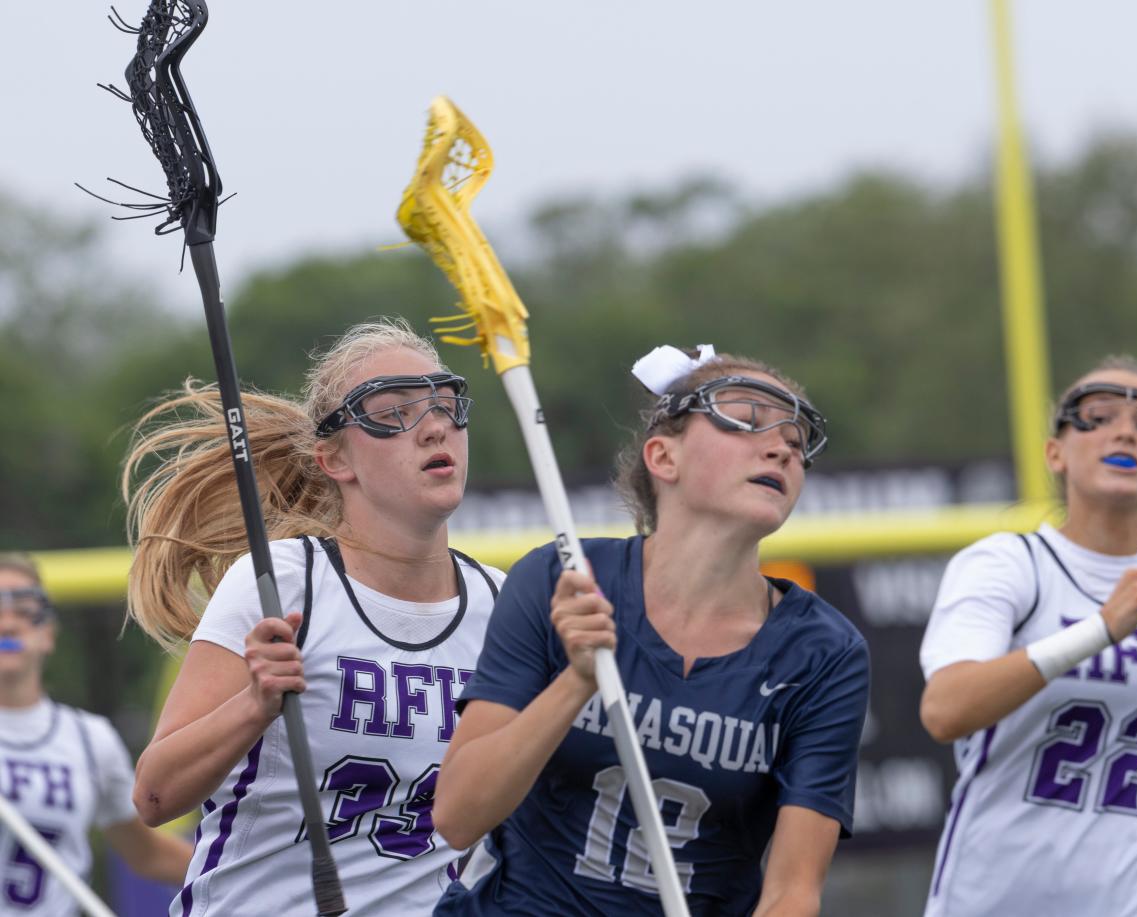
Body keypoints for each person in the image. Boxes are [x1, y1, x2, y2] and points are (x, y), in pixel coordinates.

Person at [432, 345, 870, 916]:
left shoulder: (825, 653)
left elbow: (792, 892)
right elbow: (459, 815)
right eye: (748, 420)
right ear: (664, 457)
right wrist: (577, 682)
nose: (782, 447)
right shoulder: (561, 579)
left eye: (797, 440)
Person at [122, 318, 503, 916]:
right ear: (334, 459)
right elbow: (154, 796)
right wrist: (254, 704)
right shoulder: (282, 582)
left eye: (445, 403)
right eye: (394, 411)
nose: (433, 427)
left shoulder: (501, 606)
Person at [919, 355, 1137, 917]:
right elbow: (946, 709)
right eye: (1097, 416)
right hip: (998, 895)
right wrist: (1099, 631)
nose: (1125, 431)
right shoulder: (1007, 563)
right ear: (1056, 454)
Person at [0, 552, 192, 916]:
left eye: (24, 610)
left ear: (48, 634)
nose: (7, 625)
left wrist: (252, 873)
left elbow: (148, 854)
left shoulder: (90, 740)